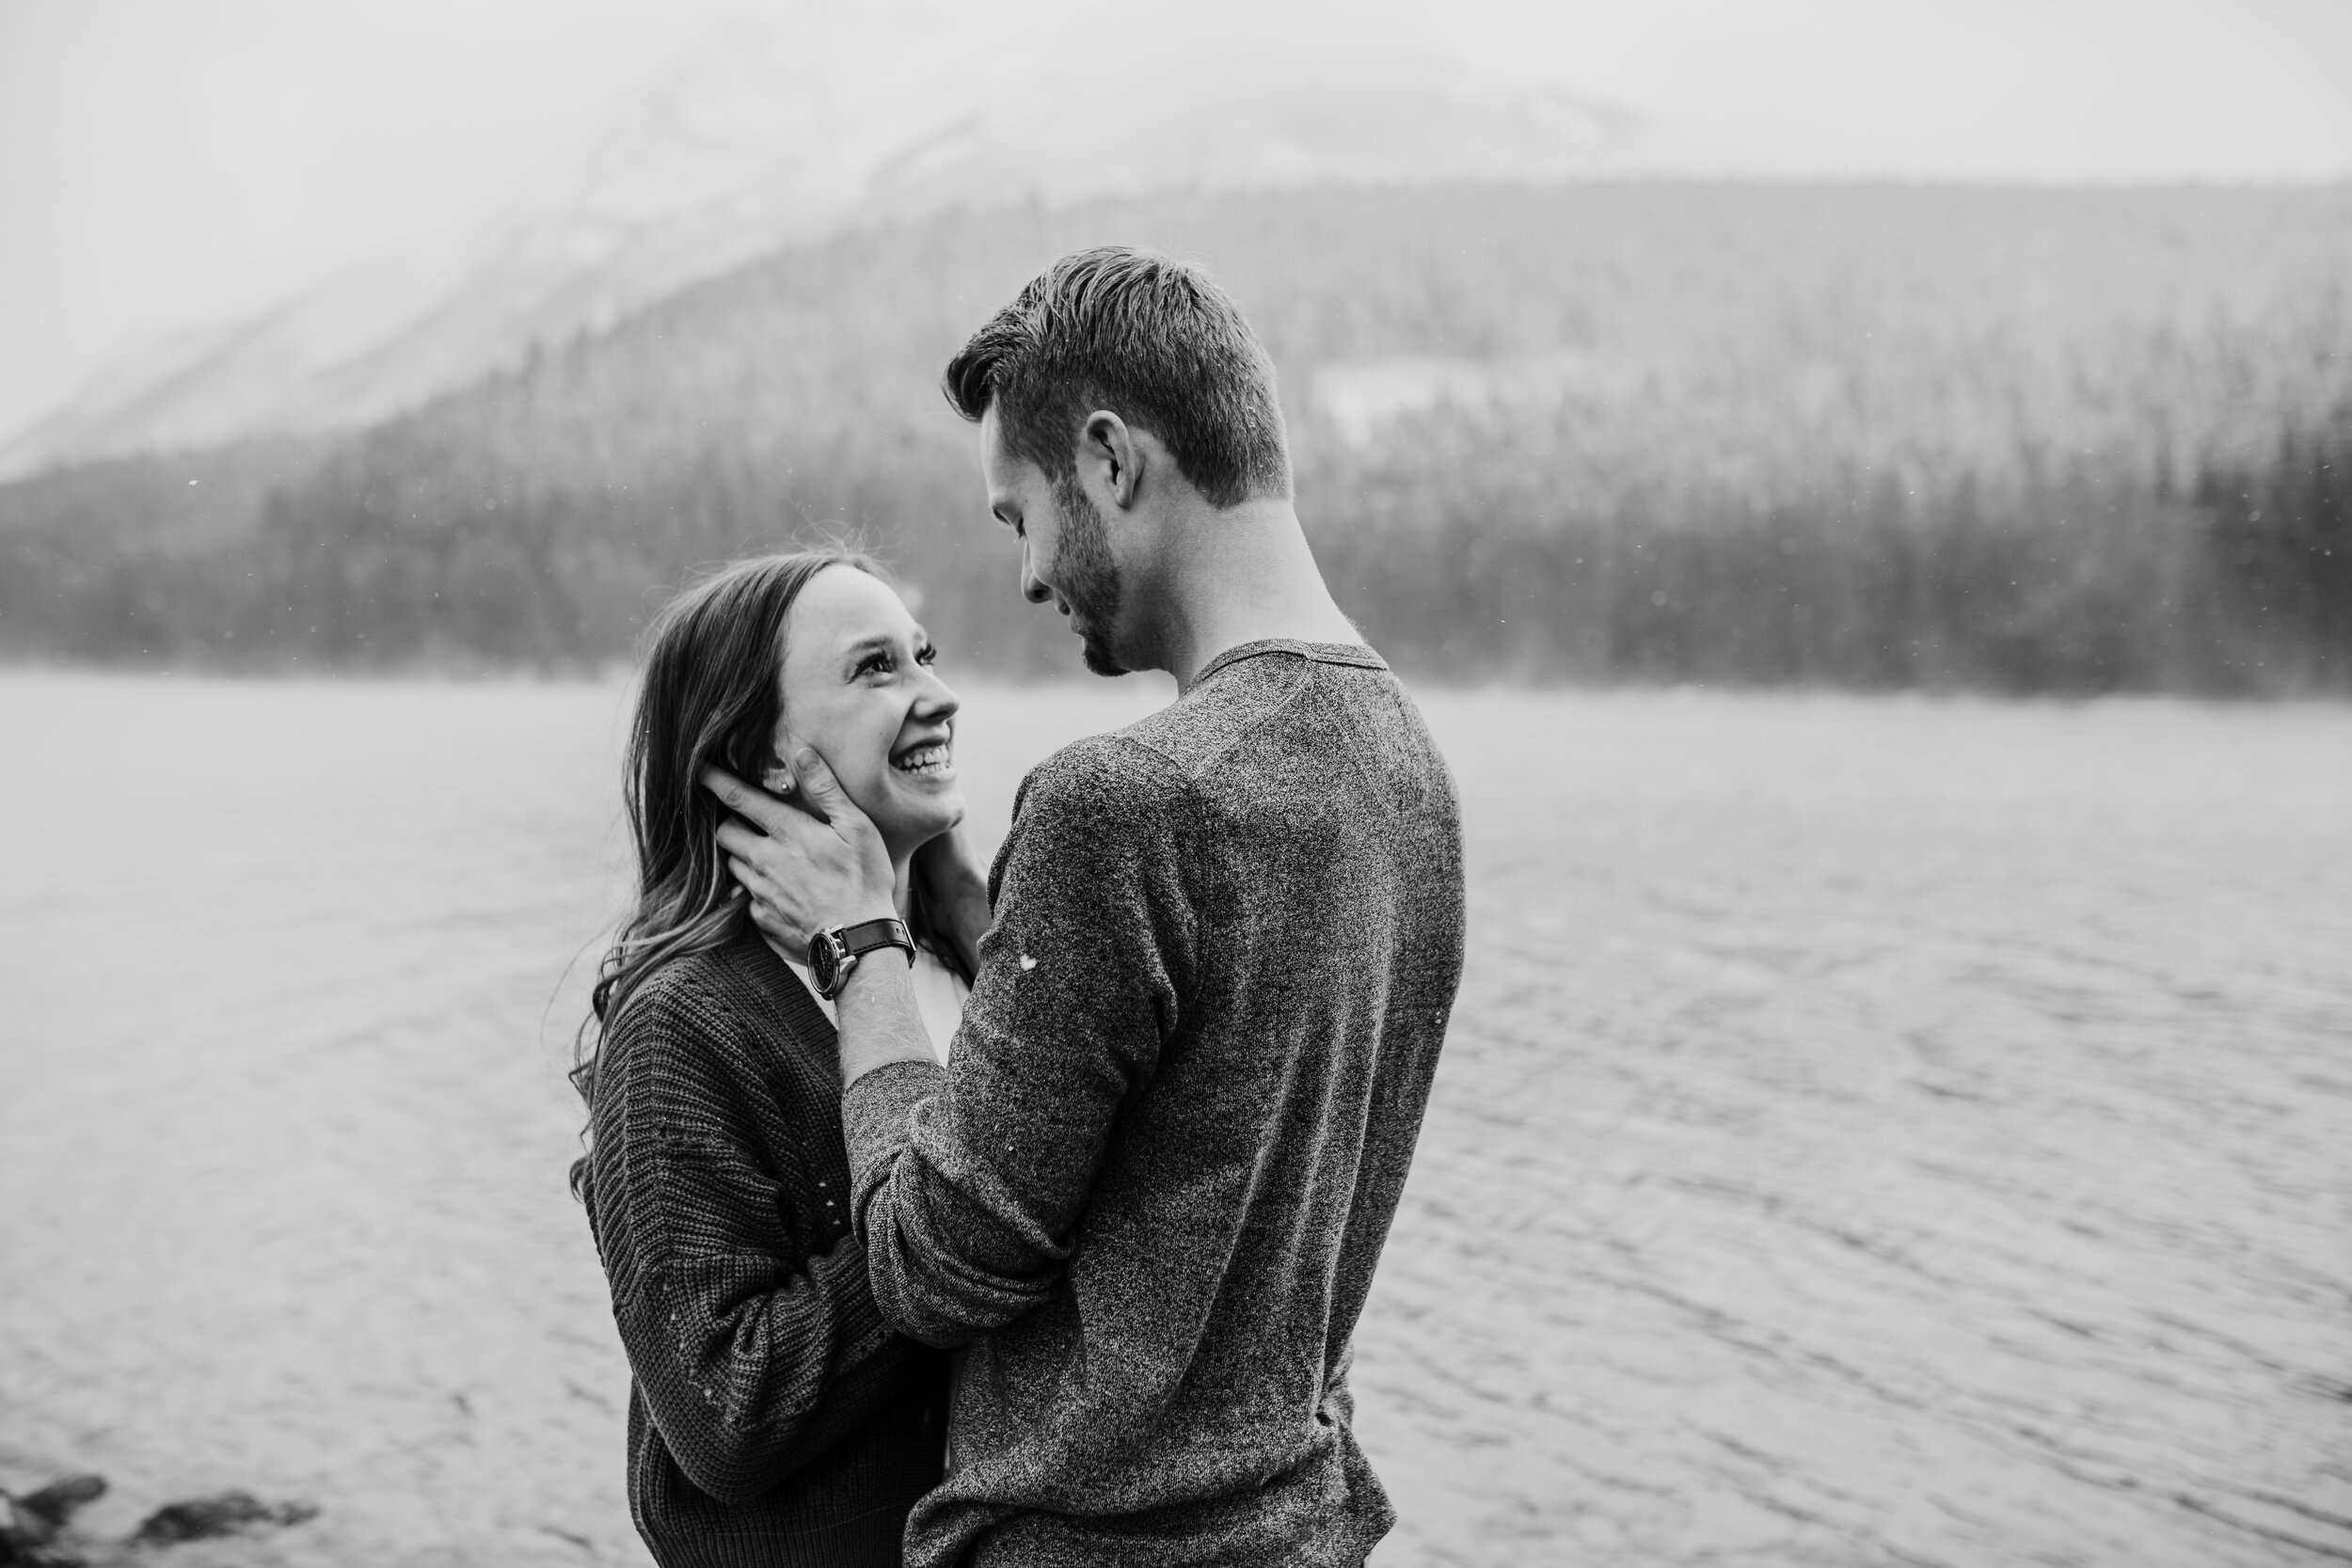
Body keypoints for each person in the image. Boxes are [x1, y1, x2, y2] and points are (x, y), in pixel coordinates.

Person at [707, 246, 1467, 1567]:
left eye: (1019, 516)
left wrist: (862, 943)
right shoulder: (1410, 766)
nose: (1028, 577)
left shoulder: (1119, 802)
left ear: (1110, 459)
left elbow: (934, 1261)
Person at [574, 547, 989, 1567]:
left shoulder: (969, 957)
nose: (937, 695)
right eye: (875, 667)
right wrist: (966, 1217)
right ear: (762, 751)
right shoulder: (682, 1021)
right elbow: (722, 1407)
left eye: (924, 655)